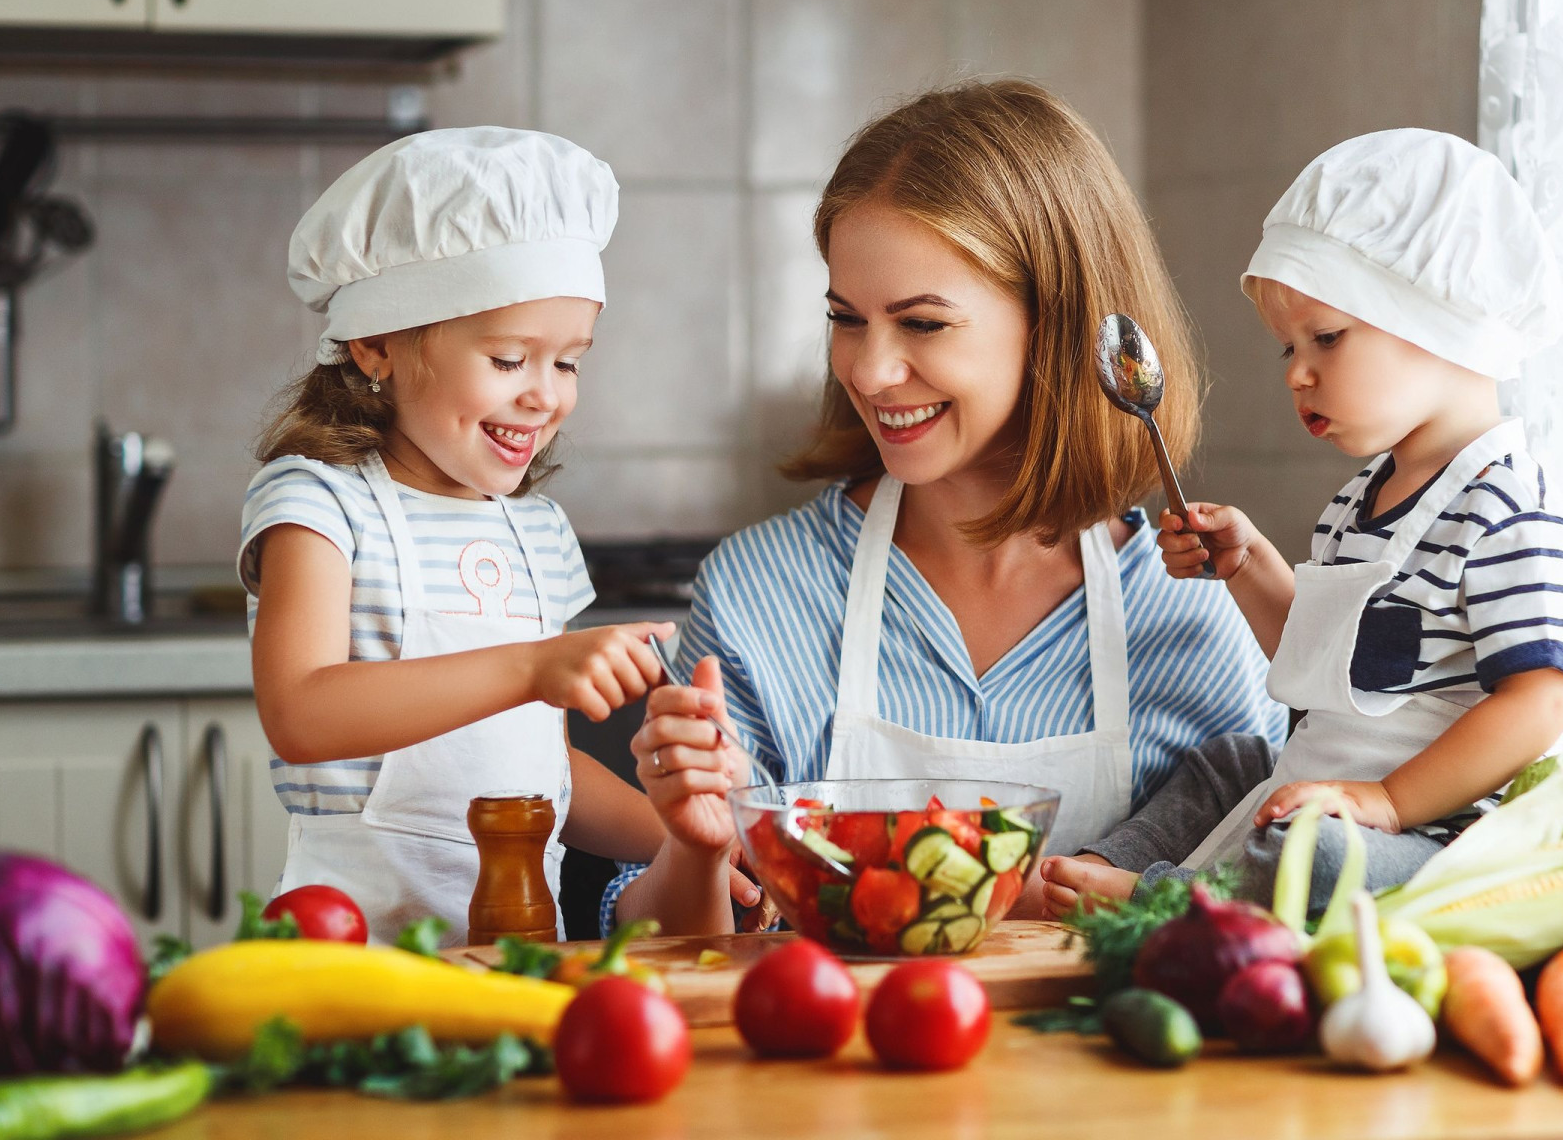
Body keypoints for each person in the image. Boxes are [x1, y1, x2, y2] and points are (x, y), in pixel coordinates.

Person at [608, 80, 1291, 936]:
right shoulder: (759, 592)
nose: (869, 370)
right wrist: (695, 852)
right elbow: (662, 951)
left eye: (922, 323)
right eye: (846, 318)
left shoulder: (1198, 610)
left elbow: (1263, 916)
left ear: (1058, 324)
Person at [1041, 128, 1563, 916]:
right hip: (1342, 784)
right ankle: (1100, 868)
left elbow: (1542, 700)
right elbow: (1327, 666)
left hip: (1440, 833)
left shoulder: (1510, 508)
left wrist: (1389, 803)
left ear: (1437, 320)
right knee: (1232, 763)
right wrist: (1249, 564)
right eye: (1288, 351)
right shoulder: (1362, 498)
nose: (1299, 373)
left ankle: (1159, 903)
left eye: (1327, 339)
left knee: (1319, 852)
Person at [240, 127, 743, 945]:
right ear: (376, 346)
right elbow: (301, 712)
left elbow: (541, 771)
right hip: (351, 952)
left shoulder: (534, 531)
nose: (545, 397)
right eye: (511, 360)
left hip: (514, 954)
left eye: (568, 362)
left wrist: (692, 837)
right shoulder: (319, 503)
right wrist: (534, 667)